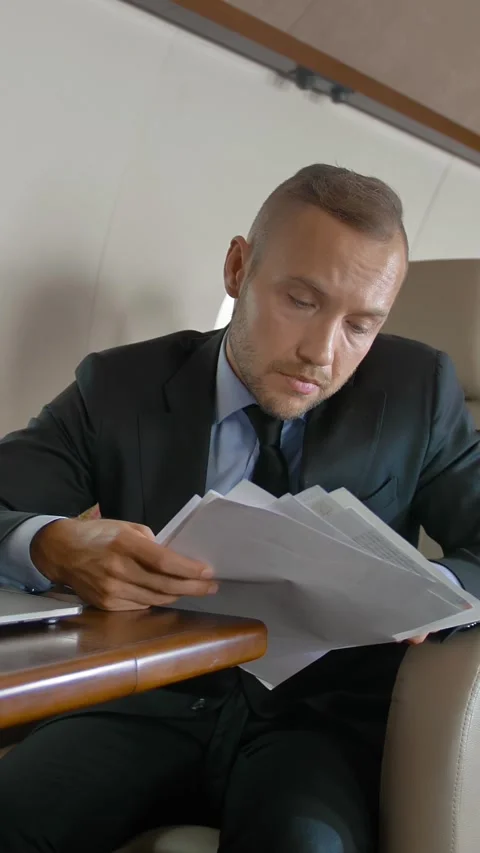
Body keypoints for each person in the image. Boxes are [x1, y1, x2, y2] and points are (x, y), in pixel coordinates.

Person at [0, 164, 479, 853]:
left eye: (361, 325)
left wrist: (437, 592)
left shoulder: (417, 393)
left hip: (317, 727)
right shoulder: (120, 386)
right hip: (145, 702)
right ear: (237, 267)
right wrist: (49, 545)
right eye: (302, 300)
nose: (322, 352)